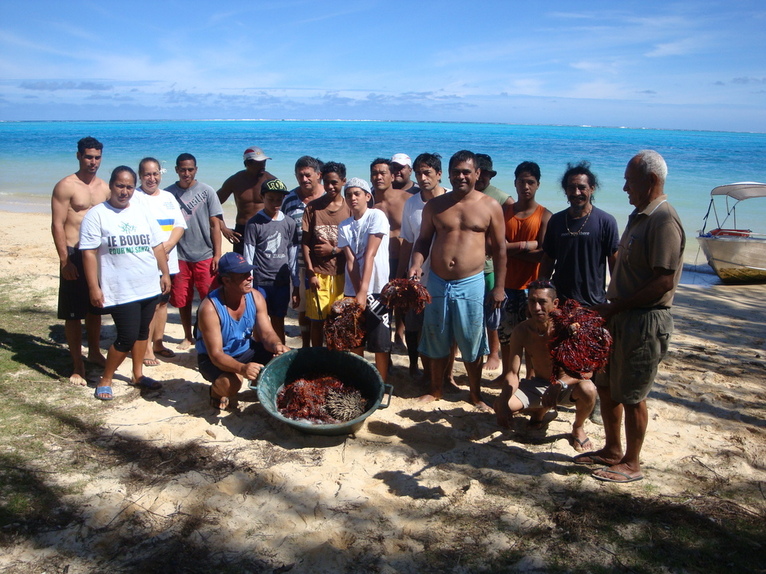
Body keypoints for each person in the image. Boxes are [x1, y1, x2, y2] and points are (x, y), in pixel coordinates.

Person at [577, 150, 685, 484]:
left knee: (633, 394)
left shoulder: (663, 220)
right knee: (607, 387)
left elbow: (663, 280)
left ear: (651, 180)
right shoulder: (640, 216)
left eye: (629, 181)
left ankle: (632, 463)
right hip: (620, 316)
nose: (624, 188)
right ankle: (612, 450)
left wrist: (617, 308)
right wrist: (611, 310)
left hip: (643, 320)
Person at [408, 150, 507, 409]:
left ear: (477, 174)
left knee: (471, 340)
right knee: (436, 336)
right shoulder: (435, 206)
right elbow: (423, 240)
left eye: (466, 171)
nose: (461, 176)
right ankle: (436, 389)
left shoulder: (490, 206)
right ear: (448, 174)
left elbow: (499, 249)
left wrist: (499, 287)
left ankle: (475, 395)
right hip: (438, 281)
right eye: (456, 172)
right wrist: (416, 265)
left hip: (471, 282)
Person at [80, 166, 171, 400]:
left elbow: (157, 245)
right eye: (120, 186)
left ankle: (137, 375)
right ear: (111, 185)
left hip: (148, 284)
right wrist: (93, 287)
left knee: (142, 333)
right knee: (126, 336)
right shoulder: (97, 214)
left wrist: (165, 273)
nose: (125, 191)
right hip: (121, 289)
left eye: (129, 186)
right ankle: (106, 378)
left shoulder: (141, 211)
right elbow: (89, 253)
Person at [494, 280, 597, 450]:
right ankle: (539, 411)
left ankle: (578, 427)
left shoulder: (569, 328)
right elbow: (513, 373)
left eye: (542, 302)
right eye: (532, 301)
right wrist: (504, 400)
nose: (536, 308)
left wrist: (560, 384)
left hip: (568, 387)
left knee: (589, 389)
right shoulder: (522, 330)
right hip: (539, 384)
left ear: (555, 303)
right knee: (500, 405)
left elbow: (587, 372)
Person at [196, 252, 290, 411]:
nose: (250, 277)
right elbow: (216, 355)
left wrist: (277, 345)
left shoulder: (256, 297)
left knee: (285, 360)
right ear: (226, 280)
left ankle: (256, 382)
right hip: (214, 358)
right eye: (243, 275)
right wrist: (242, 369)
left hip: (245, 350)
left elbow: (267, 333)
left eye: (249, 273)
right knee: (231, 384)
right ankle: (215, 392)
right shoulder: (209, 309)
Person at [51, 136, 109, 385]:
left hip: (97, 255)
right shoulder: (66, 185)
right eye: (88, 157)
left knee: (95, 308)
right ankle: (77, 364)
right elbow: (57, 225)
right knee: (73, 314)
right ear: (78, 156)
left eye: (97, 157)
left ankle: (94, 351)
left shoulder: (105, 187)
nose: (93, 162)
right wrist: (65, 261)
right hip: (74, 253)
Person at [396, 152, 454, 380]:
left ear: (439, 174)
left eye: (427, 172)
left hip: (445, 276)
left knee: (445, 328)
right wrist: (401, 273)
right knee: (414, 325)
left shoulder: (452, 198)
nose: (422, 177)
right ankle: (413, 366)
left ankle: (447, 374)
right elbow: (408, 241)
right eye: (419, 172)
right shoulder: (411, 203)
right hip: (418, 274)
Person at [539, 161, 619, 307]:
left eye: (582, 188)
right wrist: (540, 291)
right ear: (565, 190)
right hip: (561, 303)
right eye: (571, 187)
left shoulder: (606, 221)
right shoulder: (556, 221)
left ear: (592, 189)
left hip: (594, 304)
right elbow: (548, 260)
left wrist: (616, 299)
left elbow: (614, 262)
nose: (576, 193)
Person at [498, 161, 552, 375]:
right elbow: (497, 248)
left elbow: (544, 254)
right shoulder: (504, 212)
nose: (526, 186)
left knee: (533, 334)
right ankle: (506, 374)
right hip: (506, 283)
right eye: (522, 181)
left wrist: (510, 249)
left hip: (531, 287)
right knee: (505, 334)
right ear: (515, 183)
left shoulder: (545, 215)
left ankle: (530, 375)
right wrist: (528, 245)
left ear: (538, 185)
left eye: (530, 182)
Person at [166, 153, 223, 349]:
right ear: (176, 170)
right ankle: (187, 335)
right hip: (179, 255)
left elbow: (215, 224)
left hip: (205, 254)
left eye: (190, 169)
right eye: (182, 170)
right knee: (182, 299)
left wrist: (217, 254)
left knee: (209, 298)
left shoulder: (207, 192)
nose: (186, 173)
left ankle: (205, 334)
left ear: (196, 170)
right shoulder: (168, 194)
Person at [337, 178, 392, 380]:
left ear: (368, 196)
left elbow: (369, 255)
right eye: (349, 194)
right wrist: (357, 291)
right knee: (355, 337)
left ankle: (383, 381)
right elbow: (351, 260)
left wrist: (364, 292)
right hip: (353, 289)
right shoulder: (343, 225)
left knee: (380, 340)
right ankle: (360, 378)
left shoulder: (376, 216)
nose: (352, 198)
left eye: (357, 194)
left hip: (377, 288)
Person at [136, 157, 186, 366]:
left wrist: (166, 246)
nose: (152, 178)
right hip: (146, 261)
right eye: (147, 174)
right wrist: (157, 251)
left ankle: (158, 343)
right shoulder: (135, 197)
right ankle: (146, 348)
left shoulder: (168, 197)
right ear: (140, 176)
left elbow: (179, 226)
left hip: (168, 260)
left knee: (163, 303)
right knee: (148, 306)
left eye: (155, 173)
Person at [242, 178, 299, 343]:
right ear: (262, 197)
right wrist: (248, 282)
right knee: (259, 319)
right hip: (261, 280)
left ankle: (278, 351)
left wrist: (295, 284)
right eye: (271, 198)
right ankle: (260, 351)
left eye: (279, 199)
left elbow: (293, 254)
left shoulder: (289, 223)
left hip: (281, 281)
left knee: (278, 319)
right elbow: (248, 253)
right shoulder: (254, 223)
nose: (275, 202)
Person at [302, 161, 350, 347]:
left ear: (343, 181)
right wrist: (310, 272)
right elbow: (305, 243)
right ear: (322, 179)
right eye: (327, 182)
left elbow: (355, 246)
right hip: (319, 274)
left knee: (337, 320)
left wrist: (335, 250)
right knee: (317, 321)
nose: (330, 187)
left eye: (335, 183)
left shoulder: (349, 209)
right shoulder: (313, 208)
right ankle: (317, 354)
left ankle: (334, 355)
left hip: (342, 275)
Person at [474, 153, 514, 373]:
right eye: (477, 172)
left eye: (485, 173)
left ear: (490, 174)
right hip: (469, 266)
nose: (480, 177)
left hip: (488, 266)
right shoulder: (465, 195)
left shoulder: (501, 198)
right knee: (474, 312)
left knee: (492, 313)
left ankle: (494, 353)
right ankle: (477, 350)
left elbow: (511, 228)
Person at [283, 156, 325, 347]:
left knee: (324, 307)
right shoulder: (289, 199)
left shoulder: (328, 197)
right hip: (299, 263)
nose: (304, 179)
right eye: (300, 175)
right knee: (302, 309)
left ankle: (323, 346)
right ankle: (306, 345)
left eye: (308, 175)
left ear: (318, 175)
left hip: (326, 264)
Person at [371, 157, 411, 351]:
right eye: (375, 173)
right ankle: (384, 345)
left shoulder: (406, 199)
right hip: (379, 262)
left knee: (404, 306)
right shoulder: (368, 201)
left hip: (402, 259)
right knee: (382, 305)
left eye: (383, 173)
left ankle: (400, 335)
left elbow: (412, 233)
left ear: (392, 175)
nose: (378, 177)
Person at [216, 146, 277, 254]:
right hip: (242, 230)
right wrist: (223, 227)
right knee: (240, 267)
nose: (263, 165)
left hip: (265, 228)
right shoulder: (235, 181)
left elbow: (283, 206)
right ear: (247, 164)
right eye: (258, 163)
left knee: (264, 267)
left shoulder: (271, 181)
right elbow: (213, 204)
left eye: (264, 162)